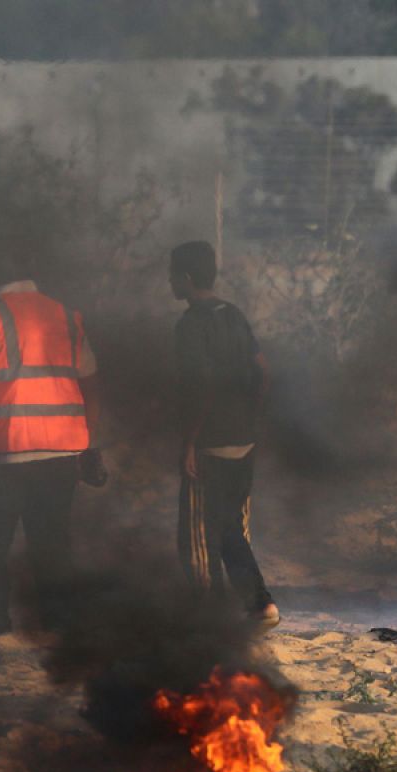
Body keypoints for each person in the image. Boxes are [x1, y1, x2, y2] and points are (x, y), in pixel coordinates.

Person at [0, 251, 104, 637]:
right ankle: (58, 627)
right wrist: (85, 441)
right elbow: (91, 384)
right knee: (52, 549)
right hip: (59, 457)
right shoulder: (65, 316)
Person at [169, 240, 278, 628]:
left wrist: (191, 442)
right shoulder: (232, 314)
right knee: (233, 523)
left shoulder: (191, 325)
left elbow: (202, 386)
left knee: (200, 534)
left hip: (211, 442)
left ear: (184, 278)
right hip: (244, 438)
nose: (169, 283)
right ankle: (255, 605)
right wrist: (251, 415)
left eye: (171, 275)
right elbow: (264, 370)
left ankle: (213, 616)